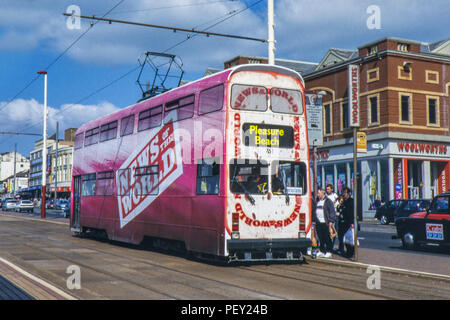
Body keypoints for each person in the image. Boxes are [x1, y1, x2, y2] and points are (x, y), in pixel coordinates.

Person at [314, 188, 336, 258]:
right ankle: (322, 250)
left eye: (319, 193)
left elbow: (332, 211)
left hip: (325, 222)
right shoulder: (318, 201)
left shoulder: (328, 201)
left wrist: (331, 221)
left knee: (327, 237)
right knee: (321, 237)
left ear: (323, 193)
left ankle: (329, 251)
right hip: (319, 222)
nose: (318, 194)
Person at [338, 187, 355, 258]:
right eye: (343, 192)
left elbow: (352, 213)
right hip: (343, 222)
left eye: (345, 192)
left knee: (350, 238)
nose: (343, 194)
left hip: (349, 222)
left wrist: (352, 222)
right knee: (344, 238)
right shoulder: (344, 202)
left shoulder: (351, 201)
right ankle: (347, 252)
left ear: (348, 193)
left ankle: (351, 253)